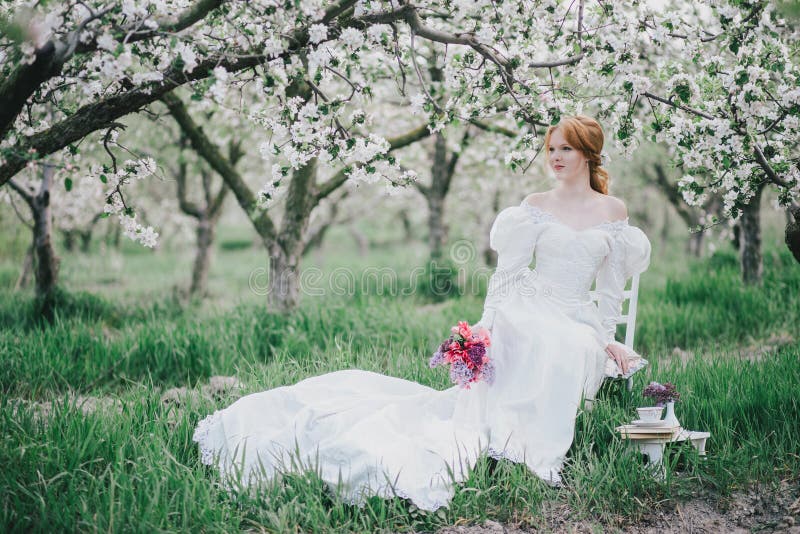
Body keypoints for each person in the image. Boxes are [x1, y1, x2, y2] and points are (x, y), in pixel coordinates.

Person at [192, 115, 651, 512]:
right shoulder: (535, 207)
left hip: (575, 315)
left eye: (565, 149)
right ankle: (504, 441)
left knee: (566, 344)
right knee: (530, 334)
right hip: (529, 303)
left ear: (589, 154)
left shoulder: (612, 211)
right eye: (550, 148)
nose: (554, 156)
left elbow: (610, 290)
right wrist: (486, 324)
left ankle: (532, 450)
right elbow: (508, 275)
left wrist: (608, 336)